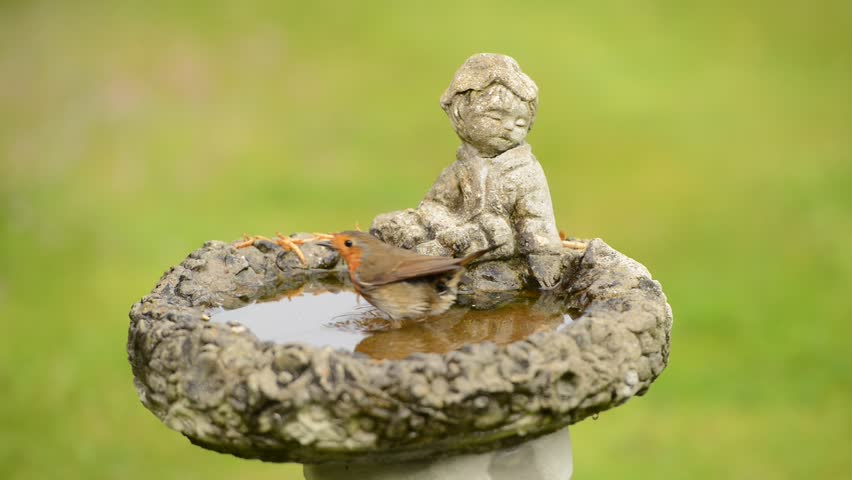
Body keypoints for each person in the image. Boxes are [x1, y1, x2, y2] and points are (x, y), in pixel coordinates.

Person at [372, 54, 563, 289]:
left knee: (492, 231)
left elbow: (537, 220)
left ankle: (427, 263)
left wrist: (545, 258)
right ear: (461, 115)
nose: (509, 127)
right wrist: (445, 225)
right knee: (403, 226)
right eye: (496, 117)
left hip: (494, 240)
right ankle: (416, 259)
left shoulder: (525, 172)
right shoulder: (462, 166)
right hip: (455, 233)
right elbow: (434, 205)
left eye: (520, 123)